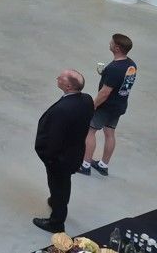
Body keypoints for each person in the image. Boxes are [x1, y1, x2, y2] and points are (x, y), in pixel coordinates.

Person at [33, 70, 95, 233]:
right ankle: (55, 201)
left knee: (59, 186)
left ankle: (56, 222)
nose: (57, 78)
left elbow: (54, 138)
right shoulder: (86, 100)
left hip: (60, 158)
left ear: (68, 86)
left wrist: (49, 157)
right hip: (74, 153)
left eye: (61, 77)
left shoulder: (62, 109)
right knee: (61, 184)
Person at [80, 34, 137, 177]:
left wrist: (92, 106)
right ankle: (103, 165)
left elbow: (105, 92)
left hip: (105, 106)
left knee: (90, 131)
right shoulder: (131, 65)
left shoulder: (114, 68)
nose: (109, 43)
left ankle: (85, 165)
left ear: (117, 48)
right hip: (119, 106)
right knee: (109, 132)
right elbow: (122, 82)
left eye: (111, 42)